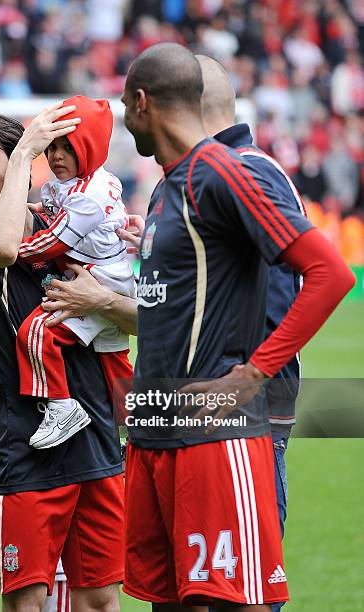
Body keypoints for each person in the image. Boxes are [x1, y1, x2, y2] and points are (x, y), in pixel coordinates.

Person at [118, 43, 354, 611]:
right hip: (156, 432)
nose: (125, 124)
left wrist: (250, 376)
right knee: (169, 601)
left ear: (141, 103)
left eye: (125, 109)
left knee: (232, 603)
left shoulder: (224, 172)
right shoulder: (169, 186)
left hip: (215, 438)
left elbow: (329, 274)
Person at [0, 105, 125, 612]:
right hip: (22, 447)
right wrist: (22, 153)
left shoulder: (69, 224)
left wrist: (105, 298)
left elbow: (144, 317)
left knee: (102, 600)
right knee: (27, 605)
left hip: (95, 438)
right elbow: (4, 246)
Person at [196, 54, 303, 612]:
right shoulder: (221, 169)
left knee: (250, 585)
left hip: (247, 410)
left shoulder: (248, 169)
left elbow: (281, 297)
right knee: (217, 580)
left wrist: (246, 380)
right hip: (215, 408)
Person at [15, 95, 135, 450]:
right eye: (51, 147)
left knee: (35, 333)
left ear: (90, 147)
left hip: (97, 280)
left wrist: (12, 250)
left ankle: (61, 406)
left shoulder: (88, 197)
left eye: (68, 148)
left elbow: (51, 242)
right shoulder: (94, 181)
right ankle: (140, 437)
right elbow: (57, 211)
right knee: (115, 365)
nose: (57, 156)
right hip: (110, 275)